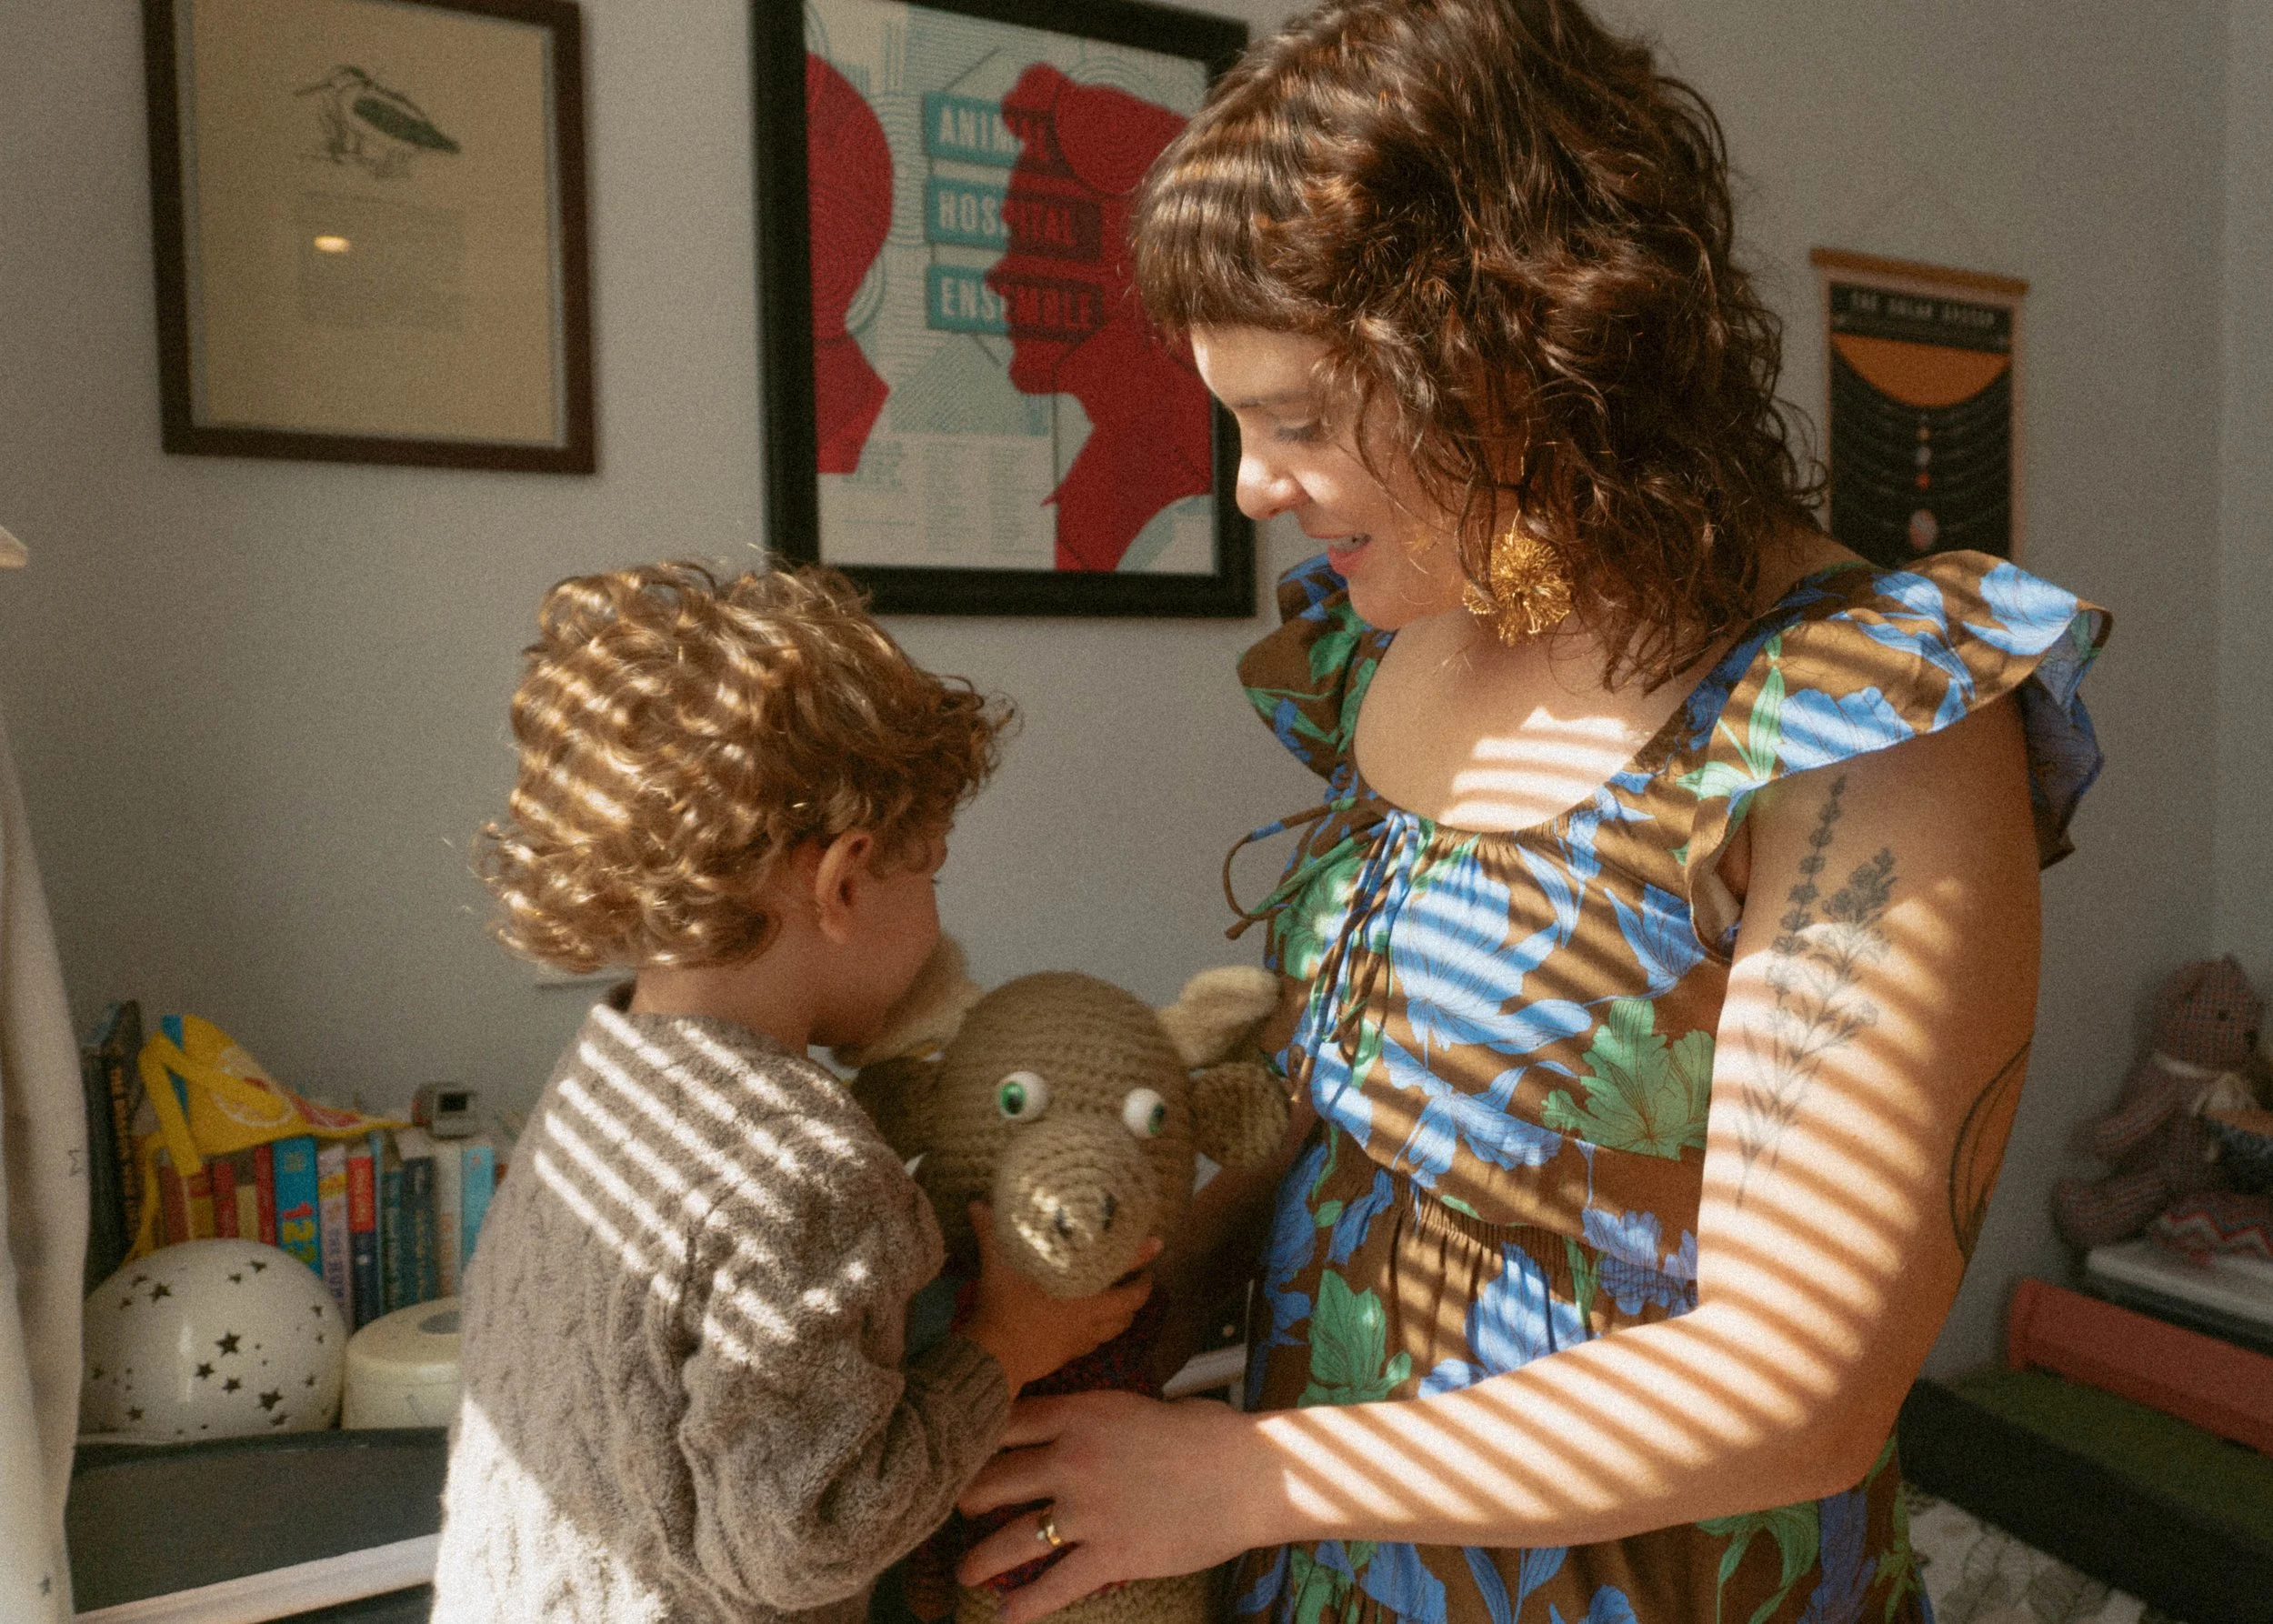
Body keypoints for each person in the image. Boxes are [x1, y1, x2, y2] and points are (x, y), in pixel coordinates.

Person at [950, 5, 2111, 1624]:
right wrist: (1076, 1322)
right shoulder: (1405, 631)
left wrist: (1247, 1475)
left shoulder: (1863, 714)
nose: (1252, 485)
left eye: (1298, 420)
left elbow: (1806, 1385)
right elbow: (1355, 1118)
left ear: (1517, 354)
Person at [430, 562, 1157, 1624]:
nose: (938, 912)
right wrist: (1005, 1345)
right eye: (931, 870)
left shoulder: (605, 1077)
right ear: (843, 881)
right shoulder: (802, 1169)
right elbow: (807, 1532)